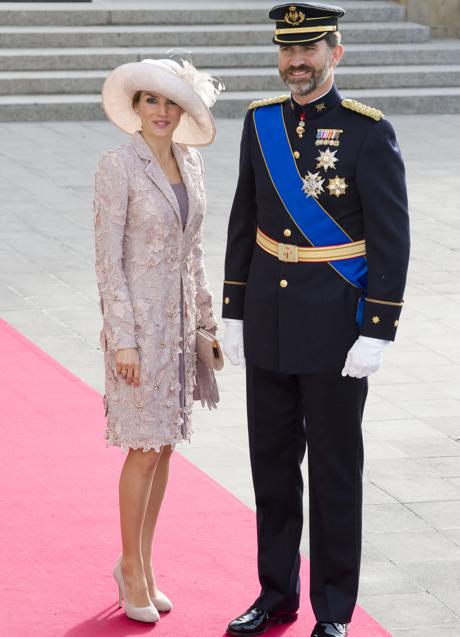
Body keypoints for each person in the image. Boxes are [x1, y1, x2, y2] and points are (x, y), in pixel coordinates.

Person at [222, 3, 410, 637]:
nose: (295, 62)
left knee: (333, 474)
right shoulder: (261, 122)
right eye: (286, 50)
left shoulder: (367, 130)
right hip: (270, 323)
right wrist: (235, 310)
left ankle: (333, 610)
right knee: (271, 470)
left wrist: (378, 327)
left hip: (335, 332)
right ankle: (275, 594)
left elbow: (391, 237)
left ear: (337, 52)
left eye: (309, 49)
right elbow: (243, 218)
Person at [93, 58, 220, 623]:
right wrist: (122, 338)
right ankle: (130, 564)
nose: (162, 112)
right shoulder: (117, 166)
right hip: (138, 336)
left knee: (164, 446)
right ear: (136, 107)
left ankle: (142, 563)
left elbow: (193, 253)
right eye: (151, 101)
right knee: (142, 449)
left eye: (171, 103)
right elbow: (107, 261)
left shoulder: (191, 164)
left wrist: (204, 325)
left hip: (176, 334)